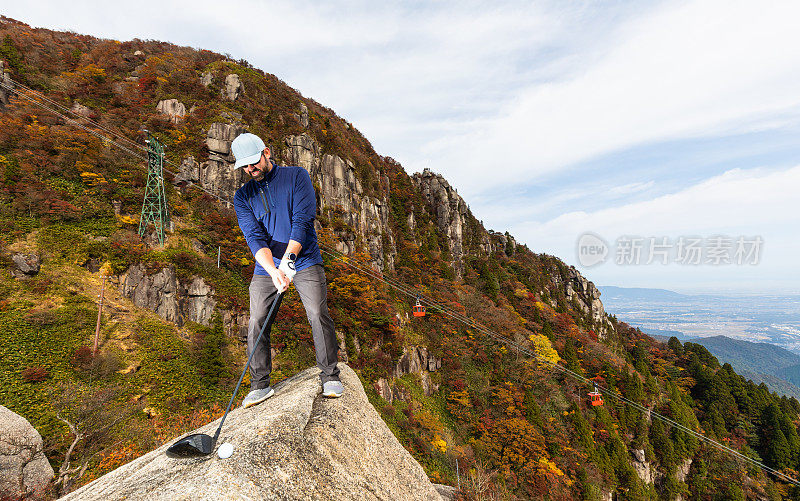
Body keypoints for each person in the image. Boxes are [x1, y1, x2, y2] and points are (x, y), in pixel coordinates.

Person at [231, 132, 342, 407]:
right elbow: (254, 238)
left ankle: (330, 375)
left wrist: (288, 262)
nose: (250, 169)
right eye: (244, 166)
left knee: (317, 312)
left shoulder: (296, 177)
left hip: (303, 259)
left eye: (253, 162)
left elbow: (302, 221)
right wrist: (273, 270)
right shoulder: (243, 197)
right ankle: (259, 385)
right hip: (267, 267)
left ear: (266, 152)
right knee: (257, 319)